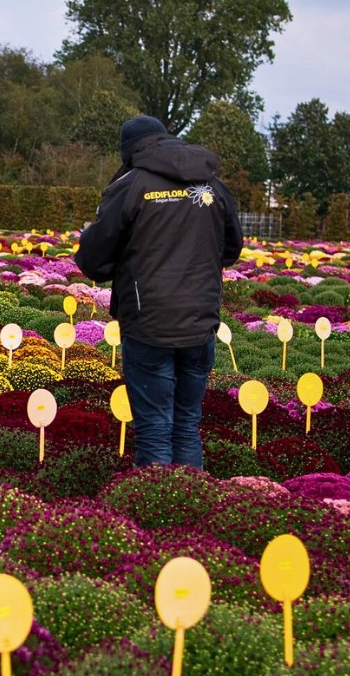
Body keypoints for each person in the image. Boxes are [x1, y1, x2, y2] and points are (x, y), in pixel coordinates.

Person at [75, 115, 243, 468]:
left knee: (154, 428)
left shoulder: (132, 184)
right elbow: (231, 249)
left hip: (148, 323)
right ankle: (189, 511)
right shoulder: (212, 184)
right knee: (186, 426)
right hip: (200, 323)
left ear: (130, 150)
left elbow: (93, 259)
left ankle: (156, 514)